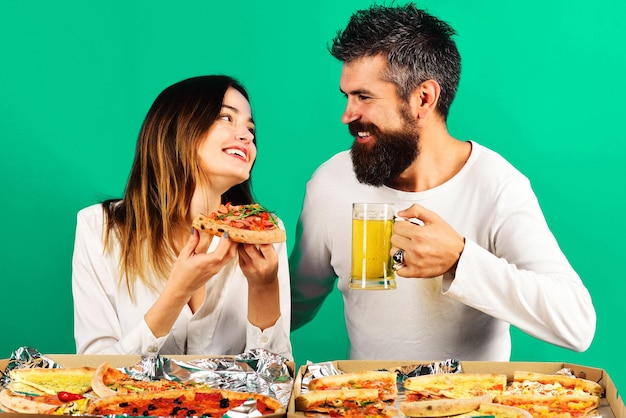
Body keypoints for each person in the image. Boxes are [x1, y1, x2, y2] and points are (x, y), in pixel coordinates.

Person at [290, 4, 595, 361]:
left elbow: (576, 324)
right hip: (366, 406)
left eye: (364, 97)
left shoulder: (496, 185)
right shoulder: (332, 183)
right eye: (347, 96)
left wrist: (460, 259)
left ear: (423, 98)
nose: (347, 115)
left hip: (473, 411)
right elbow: (295, 304)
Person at [72, 75, 292, 359]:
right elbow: (94, 375)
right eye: (227, 118)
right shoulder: (99, 229)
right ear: (177, 128)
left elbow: (277, 381)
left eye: (251, 129)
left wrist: (264, 288)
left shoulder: (264, 233)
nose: (247, 136)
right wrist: (177, 292)